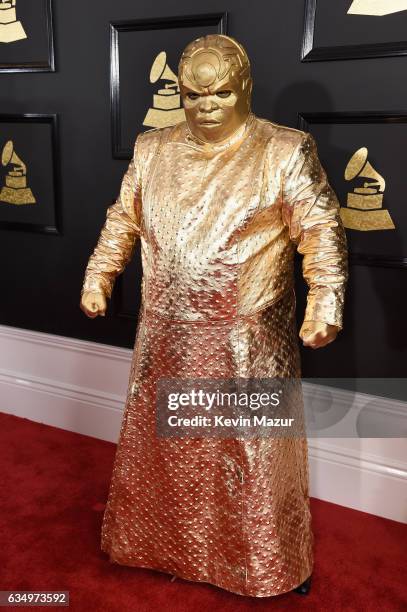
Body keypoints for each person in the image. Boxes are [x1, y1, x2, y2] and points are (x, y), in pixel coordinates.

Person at [80, 34, 348, 598]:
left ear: (245, 88)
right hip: (167, 331)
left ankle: (267, 564)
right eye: (193, 95)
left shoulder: (283, 149)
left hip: (247, 338)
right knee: (169, 449)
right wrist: (99, 274)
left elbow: (321, 229)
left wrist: (326, 298)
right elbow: (122, 219)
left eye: (221, 93)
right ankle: (158, 547)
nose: (206, 106)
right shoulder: (153, 149)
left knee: (249, 455)